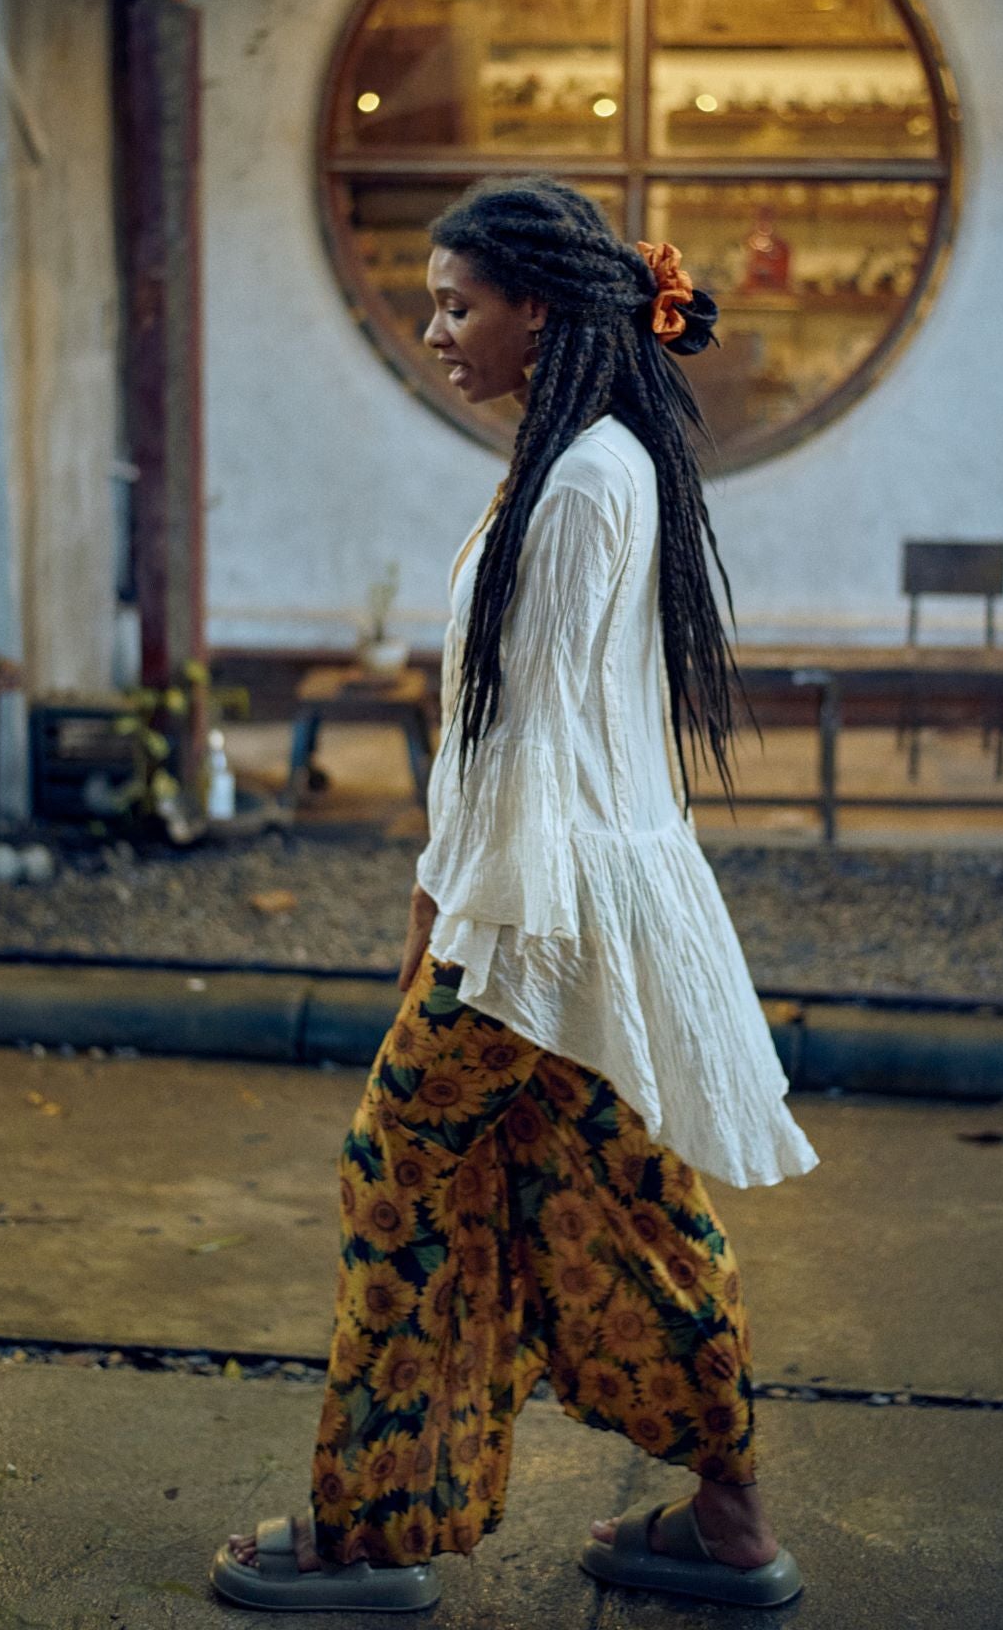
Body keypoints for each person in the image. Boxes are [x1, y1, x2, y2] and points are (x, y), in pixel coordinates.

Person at [210, 176, 820, 1614]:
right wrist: (441, 893)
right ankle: (730, 1520)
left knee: (397, 1171)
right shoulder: (588, 460)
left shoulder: (586, 477)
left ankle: (375, 1533)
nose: (436, 332)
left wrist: (448, 918)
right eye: (433, 305)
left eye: (456, 305)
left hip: (537, 924)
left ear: (537, 308)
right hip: (553, 905)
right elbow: (517, 731)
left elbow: (527, 740)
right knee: (623, 1198)